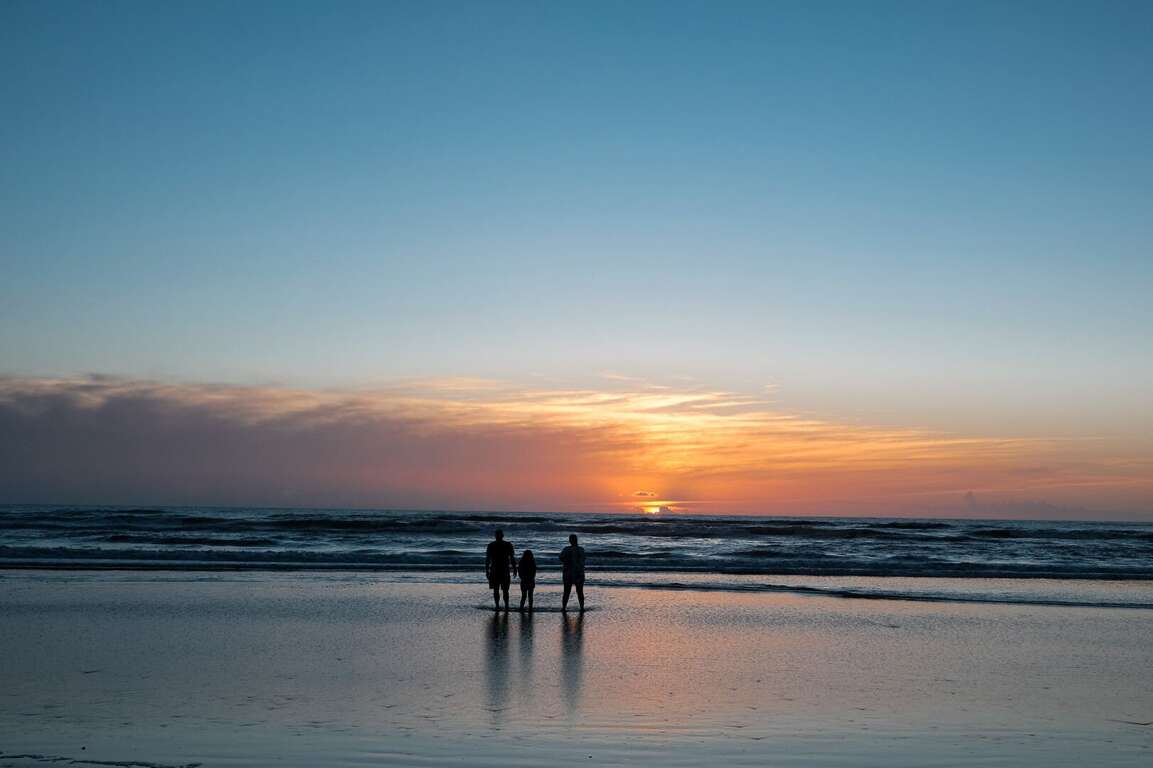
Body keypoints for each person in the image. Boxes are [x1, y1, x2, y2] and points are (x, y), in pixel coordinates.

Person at [485, 529, 517, 611]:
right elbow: (512, 558)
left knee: (497, 590)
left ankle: (498, 606)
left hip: (496, 569)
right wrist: (514, 568)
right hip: (503, 569)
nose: (498, 536)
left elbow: (488, 559)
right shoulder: (507, 545)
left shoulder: (491, 545)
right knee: (505, 590)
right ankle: (505, 606)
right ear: (502, 536)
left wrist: (487, 570)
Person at [559, 533, 586, 612]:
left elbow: (560, 558)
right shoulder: (581, 549)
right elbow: (583, 560)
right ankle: (582, 607)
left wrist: (567, 561)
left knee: (566, 591)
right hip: (579, 573)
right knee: (580, 591)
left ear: (570, 541)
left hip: (568, 573)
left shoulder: (566, 549)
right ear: (576, 540)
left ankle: (564, 608)